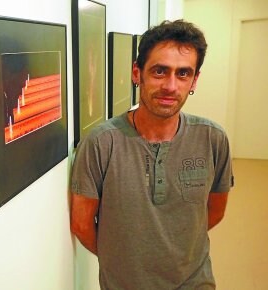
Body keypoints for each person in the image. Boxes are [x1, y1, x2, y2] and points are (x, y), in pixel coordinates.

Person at [70, 20, 234, 289]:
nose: (171, 86)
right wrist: (124, 262)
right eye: (160, 71)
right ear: (137, 73)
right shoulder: (101, 143)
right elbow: (81, 223)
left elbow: (215, 211)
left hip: (194, 281)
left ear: (194, 80)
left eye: (183, 74)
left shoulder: (212, 138)